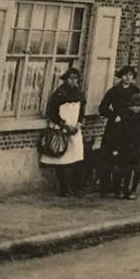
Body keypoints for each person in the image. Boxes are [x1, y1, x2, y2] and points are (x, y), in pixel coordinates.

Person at [40, 68, 88, 197]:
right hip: (61, 129)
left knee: (77, 158)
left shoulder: (79, 94)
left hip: (75, 130)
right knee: (60, 158)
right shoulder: (59, 94)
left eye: (75, 78)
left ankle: (77, 187)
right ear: (66, 79)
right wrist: (64, 126)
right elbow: (52, 113)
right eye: (70, 78)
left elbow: (82, 112)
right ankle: (63, 187)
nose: (73, 81)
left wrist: (78, 125)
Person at [96, 65, 140, 198]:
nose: (128, 78)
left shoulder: (135, 90)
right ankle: (106, 185)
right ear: (121, 76)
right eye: (125, 75)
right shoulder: (114, 91)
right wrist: (113, 115)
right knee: (110, 155)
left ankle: (121, 186)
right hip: (115, 126)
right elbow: (102, 108)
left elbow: (139, 105)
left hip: (130, 126)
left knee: (126, 156)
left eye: (131, 75)